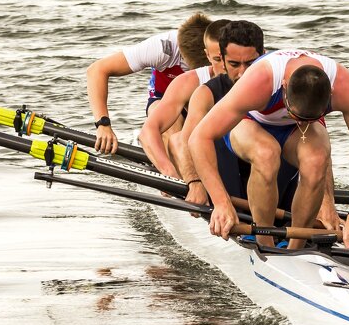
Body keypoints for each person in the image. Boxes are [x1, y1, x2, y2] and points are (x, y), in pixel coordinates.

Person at [190, 49, 349, 251]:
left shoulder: (344, 86)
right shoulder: (260, 80)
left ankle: (295, 248)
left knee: (316, 159)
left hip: (293, 134)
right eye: (294, 114)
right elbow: (199, 138)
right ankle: (265, 242)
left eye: (307, 119)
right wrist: (221, 202)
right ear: (284, 86)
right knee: (267, 154)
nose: (299, 121)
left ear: (331, 94)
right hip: (249, 123)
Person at [164, 20, 266, 205]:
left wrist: (324, 202)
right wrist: (195, 183)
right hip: (226, 182)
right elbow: (185, 142)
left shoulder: (279, 87)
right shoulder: (205, 93)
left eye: (250, 64)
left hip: (268, 178)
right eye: (234, 64)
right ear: (223, 60)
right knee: (187, 137)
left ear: (263, 57)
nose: (243, 73)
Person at [87, 12, 211, 154]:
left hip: (202, 98)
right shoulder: (163, 48)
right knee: (171, 129)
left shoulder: (223, 48)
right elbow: (97, 70)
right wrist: (103, 124)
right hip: (164, 98)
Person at [137, 18, 232, 176]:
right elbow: (147, 132)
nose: (225, 67)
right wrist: (168, 172)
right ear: (207, 55)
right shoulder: (188, 79)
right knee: (175, 134)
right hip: (176, 113)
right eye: (218, 59)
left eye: (231, 61)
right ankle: (179, 180)